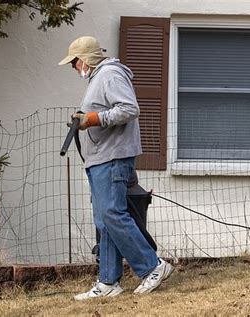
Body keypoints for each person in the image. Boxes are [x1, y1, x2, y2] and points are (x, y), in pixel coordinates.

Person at [58, 36, 174, 300]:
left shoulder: (110, 75)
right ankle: (108, 281)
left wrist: (94, 118)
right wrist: (85, 119)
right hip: (100, 159)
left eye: (74, 63)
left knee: (113, 214)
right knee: (104, 219)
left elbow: (130, 109)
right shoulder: (98, 78)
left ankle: (152, 266)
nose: (74, 68)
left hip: (112, 158)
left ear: (84, 59)